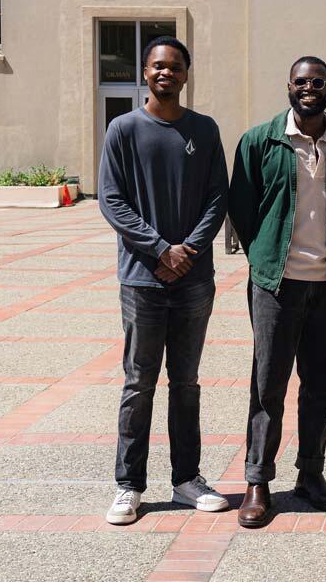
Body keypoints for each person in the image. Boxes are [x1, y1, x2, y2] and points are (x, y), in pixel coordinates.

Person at [228, 56, 326, 528]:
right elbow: (242, 210)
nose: (310, 88)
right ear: (288, 86)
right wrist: (265, 256)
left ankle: (311, 473)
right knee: (269, 385)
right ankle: (258, 481)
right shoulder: (260, 141)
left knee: (321, 385)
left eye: (318, 82)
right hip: (276, 285)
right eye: (302, 82)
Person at [98, 36, 229, 525]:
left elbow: (219, 197)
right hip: (142, 280)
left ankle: (186, 480)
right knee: (139, 382)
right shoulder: (123, 129)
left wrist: (187, 251)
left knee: (187, 382)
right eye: (157, 66)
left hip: (194, 279)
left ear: (186, 74)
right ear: (145, 72)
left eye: (174, 67)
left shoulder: (204, 129)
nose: (165, 73)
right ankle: (128, 486)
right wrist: (159, 250)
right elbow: (112, 200)